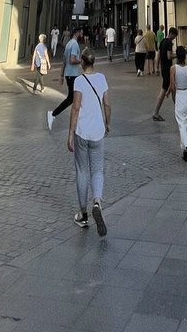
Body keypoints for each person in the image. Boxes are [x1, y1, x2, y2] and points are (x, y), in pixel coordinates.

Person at [67, 46, 110, 235]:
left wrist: (70, 132)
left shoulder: (79, 81)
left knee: (82, 171)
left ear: (82, 63)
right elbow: (107, 104)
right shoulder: (101, 79)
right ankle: (97, 202)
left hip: (82, 132)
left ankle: (83, 214)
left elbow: (75, 108)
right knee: (98, 169)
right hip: (98, 131)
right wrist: (107, 123)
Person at [47, 27, 83, 130]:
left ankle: (78, 119)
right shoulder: (75, 44)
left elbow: (64, 61)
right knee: (72, 98)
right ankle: (53, 113)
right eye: (81, 33)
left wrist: (62, 75)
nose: (82, 35)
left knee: (77, 97)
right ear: (77, 33)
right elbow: (72, 60)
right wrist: (81, 61)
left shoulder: (68, 44)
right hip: (73, 74)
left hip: (69, 74)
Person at [170, 45, 187, 167]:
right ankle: (185, 151)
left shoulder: (173, 68)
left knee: (182, 125)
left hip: (180, 95)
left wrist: (174, 99)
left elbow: (172, 86)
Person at [153, 26, 177, 120]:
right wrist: (178, 54)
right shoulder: (169, 43)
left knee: (173, 88)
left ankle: (178, 109)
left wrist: (157, 67)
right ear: (172, 34)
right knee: (164, 90)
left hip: (163, 68)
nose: (174, 38)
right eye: (174, 36)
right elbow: (169, 56)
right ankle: (156, 112)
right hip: (168, 69)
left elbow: (158, 55)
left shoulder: (162, 41)